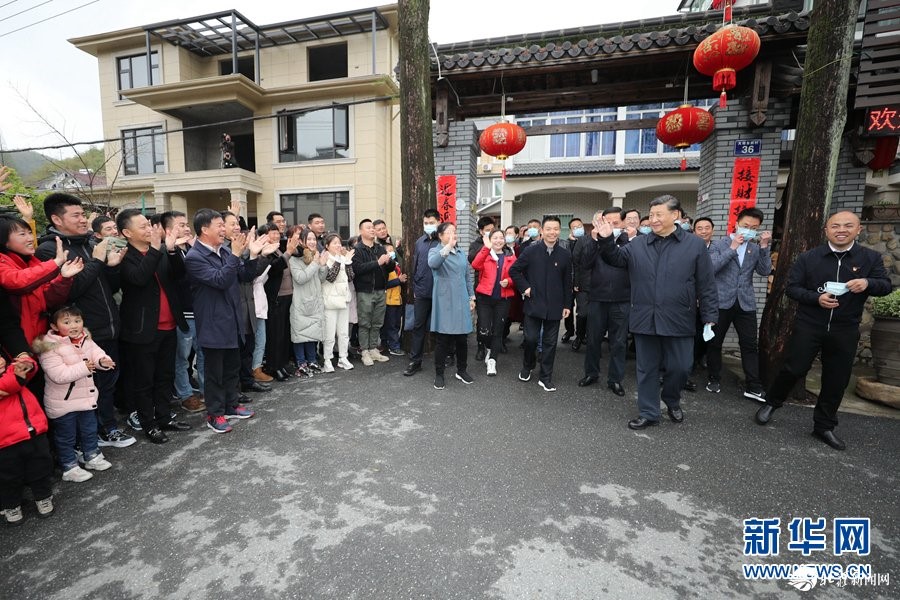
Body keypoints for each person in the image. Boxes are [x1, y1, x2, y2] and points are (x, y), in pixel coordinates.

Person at [755, 211, 891, 450]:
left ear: (858, 229)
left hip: (845, 327)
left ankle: (824, 425)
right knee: (794, 368)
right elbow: (792, 288)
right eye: (835, 226)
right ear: (826, 230)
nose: (841, 230)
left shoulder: (869, 258)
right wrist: (816, 299)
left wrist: (868, 283)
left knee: (837, 378)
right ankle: (772, 402)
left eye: (848, 225)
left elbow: (885, 286)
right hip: (810, 324)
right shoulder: (810, 258)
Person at [594, 195, 718, 429]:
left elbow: (707, 283)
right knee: (647, 369)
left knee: (681, 367)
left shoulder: (694, 245)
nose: (654, 219)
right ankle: (649, 412)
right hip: (645, 317)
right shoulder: (639, 244)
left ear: (676, 215)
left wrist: (710, 316)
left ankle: (671, 399)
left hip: (679, 317)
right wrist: (606, 239)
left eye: (659, 214)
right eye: (651, 215)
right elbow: (615, 259)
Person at [35, 193, 134, 449]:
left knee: (107, 383)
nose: (83, 220)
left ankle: (105, 430)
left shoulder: (90, 243)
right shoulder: (50, 249)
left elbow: (109, 286)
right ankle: (92, 438)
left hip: (108, 325)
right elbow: (70, 291)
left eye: (83, 214)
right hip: (82, 333)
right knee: (87, 388)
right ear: (57, 219)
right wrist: (98, 261)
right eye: (76, 215)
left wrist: (112, 266)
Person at [116, 209, 192, 444]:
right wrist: (157, 250)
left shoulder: (158, 251)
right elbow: (139, 278)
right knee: (144, 381)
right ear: (127, 232)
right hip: (142, 330)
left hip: (169, 325)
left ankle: (165, 417)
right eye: (143, 227)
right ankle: (149, 424)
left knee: (165, 376)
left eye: (149, 225)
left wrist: (171, 250)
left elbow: (179, 274)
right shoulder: (124, 256)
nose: (149, 229)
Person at [184, 209, 260, 434]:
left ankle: (231, 405)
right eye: (219, 225)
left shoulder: (225, 251)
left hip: (232, 319)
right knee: (215, 373)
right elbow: (219, 280)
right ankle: (215, 414)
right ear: (204, 229)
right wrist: (236, 255)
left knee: (231, 368)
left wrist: (253, 255)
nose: (223, 229)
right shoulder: (195, 257)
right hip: (213, 323)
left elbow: (244, 276)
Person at [34, 306, 115, 482]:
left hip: (86, 397)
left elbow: (96, 353)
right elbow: (58, 375)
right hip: (63, 402)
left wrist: (103, 361)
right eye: (67, 322)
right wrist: (84, 367)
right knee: (66, 436)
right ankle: (69, 466)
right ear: (54, 326)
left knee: (89, 430)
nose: (74, 325)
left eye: (77, 321)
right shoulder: (49, 347)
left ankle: (91, 456)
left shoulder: (85, 338)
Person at [704, 208, 772, 399]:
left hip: (745, 302)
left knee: (749, 344)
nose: (749, 230)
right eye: (745, 226)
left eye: (754, 228)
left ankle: (753, 385)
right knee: (715, 343)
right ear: (736, 224)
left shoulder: (755, 248)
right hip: (721, 301)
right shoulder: (720, 244)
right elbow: (712, 268)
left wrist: (765, 247)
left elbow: (765, 271)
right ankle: (714, 378)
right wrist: (732, 248)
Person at [509, 215, 573, 392]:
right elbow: (514, 270)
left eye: (556, 229)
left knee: (550, 343)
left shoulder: (565, 254)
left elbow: (568, 282)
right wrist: (525, 288)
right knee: (530, 339)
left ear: (560, 231)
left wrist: (567, 305)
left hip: (555, 305)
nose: (552, 232)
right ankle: (528, 365)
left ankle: (545, 377)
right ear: (542, 231)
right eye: (549, 229)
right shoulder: (531, 251)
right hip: (534, 303)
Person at [0, 218, 84, 343]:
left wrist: (64, 279)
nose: (30, 238)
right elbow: (16, 281)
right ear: (4, 241)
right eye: (22, 234)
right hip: (16, 342)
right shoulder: (3, 261)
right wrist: (55, 263)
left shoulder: (32, 262)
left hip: (40, 338)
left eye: (30, 233)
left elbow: (49, 300)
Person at [580, 208, 631, 396]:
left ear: (623, 223)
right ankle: (591, 373)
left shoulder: (630, 242)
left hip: (621, 299)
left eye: (615, 223)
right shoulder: (596, 241)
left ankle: (615, 380)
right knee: (593, 340)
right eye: (607, 222)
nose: (610, 226)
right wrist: (595, 240)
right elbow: (585, 263)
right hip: (598, 298)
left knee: (618, 342)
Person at [0, 337, 51, 524]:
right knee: (8, 477)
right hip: (5, 442)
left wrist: (27, 363)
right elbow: (12, 382)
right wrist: (17, 373)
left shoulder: (11, 370)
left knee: (40, 468)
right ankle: (11, 506)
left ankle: (43, 497)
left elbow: (29, 368)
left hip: (32, 431)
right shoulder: (12, 375)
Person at [161, 211, 206, 413]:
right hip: (183, 315)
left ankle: (207, 390)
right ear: (168, 230)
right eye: (181, 225)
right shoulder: (166, 252)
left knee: (204, 354)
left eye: (187, 224)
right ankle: (186, 395)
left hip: (201, 311)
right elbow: (178, 275)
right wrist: (172, 250)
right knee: (182, 358)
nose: (187, 228)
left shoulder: (190, 249)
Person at [428, 222, 475, 389]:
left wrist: (471, 297)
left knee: (462, 339)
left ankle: (462, 370)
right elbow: (433, 264)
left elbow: (467, 277)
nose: (453, 235)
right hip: (445, 299)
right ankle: (439, 374)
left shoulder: (461, 253)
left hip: (461, 298)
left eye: (454, 231)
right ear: (440, 236)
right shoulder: (436, 251)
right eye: (448, 232)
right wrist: (448, 247)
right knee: (443, 339)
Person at [471, 228, 516, 376]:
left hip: (503, 299)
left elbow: (517, 275)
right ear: (490, 240)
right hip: (484, 298)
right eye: (495, 238)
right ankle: (489, 347)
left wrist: (509, 281)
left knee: (498, 330)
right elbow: (475, 265)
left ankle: (492, 361)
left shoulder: (510, 256)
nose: (498, 240)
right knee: (484, 330)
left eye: (501, 237)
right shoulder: (486, 254)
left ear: (504, 240)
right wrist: (486, 248)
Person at [404, 209, 441, 376]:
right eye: (426, 223)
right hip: (422, 291)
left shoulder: (444, 240)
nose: (428, 225)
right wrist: (415, 288)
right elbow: (415, 266)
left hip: (440, 292)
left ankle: (446, 356)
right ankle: (415, 361)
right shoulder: (420, 242)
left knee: (440, 327)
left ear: (439, 222)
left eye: (431, 223)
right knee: (418, 326)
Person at [352, 219, 394, 366]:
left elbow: (389, 268)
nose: (372, 230)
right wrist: (378, 263)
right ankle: (364, 351)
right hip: (365, 291)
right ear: (361, 231)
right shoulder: (357, 249)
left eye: (372, 228)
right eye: (368, 227)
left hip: (381, 290)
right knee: (365, 322)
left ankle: (373, 349)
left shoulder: (380, 248)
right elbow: (358, 269)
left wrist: (389, 262)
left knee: (377, 322)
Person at [263, 226, 301, 381]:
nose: (276, 235)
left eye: (277, 233)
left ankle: (283, 364)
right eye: (272, 233)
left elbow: (298, 252)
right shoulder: (265, 252)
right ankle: (274, 366)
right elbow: (274, 269)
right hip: (276, 298)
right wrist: (288, 252)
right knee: (275, 335)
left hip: (288, 296)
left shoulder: (279, 248)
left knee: (285, 333)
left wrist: (292, 247)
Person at [290, 229, 327, 378]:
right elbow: (300, 278)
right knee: (300, 333)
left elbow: (321, 278)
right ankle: (301, 363)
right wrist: (316, 263)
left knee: (312, 332)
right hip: (301, 302)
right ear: (301, 241)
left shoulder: (315, 256)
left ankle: (312, 360)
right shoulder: (294, 259)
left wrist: (322, 265)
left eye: (314, 239)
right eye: (309, 239)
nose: (312, 242)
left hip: (315, 301)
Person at [321, 233, 354, 372]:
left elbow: (351, 277)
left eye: (339, 242)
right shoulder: (325, 258)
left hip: (344, 299)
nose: (338, 245)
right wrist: (340, 261)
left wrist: (347, 262)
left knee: (343, 332)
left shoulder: (343, 258)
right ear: (327, 246)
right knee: (329, 332)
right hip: (330, 300)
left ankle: (343, 357)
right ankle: (327, 359)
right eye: (334, 243)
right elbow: (330, 277)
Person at [467, 216, 496, 362]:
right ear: (481, 231)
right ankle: (480, 346)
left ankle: (494, 345)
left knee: (495, 319)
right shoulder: (475, 244)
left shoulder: (497, 241)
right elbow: (472, 259)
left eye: (492, 229)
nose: (490, 232)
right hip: (481, 286)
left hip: (497, 286)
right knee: (482, 320)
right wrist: (486, 246)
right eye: (487, 230)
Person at [380, 242, 407, 356]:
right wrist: (398, 280)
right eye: (389, 251)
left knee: (396, 324)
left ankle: (387, 344)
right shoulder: (384, 267)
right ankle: (393, 346)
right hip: (389, 300)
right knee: (391, 325)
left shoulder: (396, 265)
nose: (391, 253)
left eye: (392, 250)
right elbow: (384, 284)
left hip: (397, 299)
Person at [560, 217, 584, 344]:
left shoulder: (588, 241)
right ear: (570, 230)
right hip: (568, 281)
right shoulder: (565, 244)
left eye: (579, 226)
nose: (577, 229)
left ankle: (581, 335)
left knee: (582, 311)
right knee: (568, 307)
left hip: (582, 282)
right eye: (574, 227)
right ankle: (569, 331)